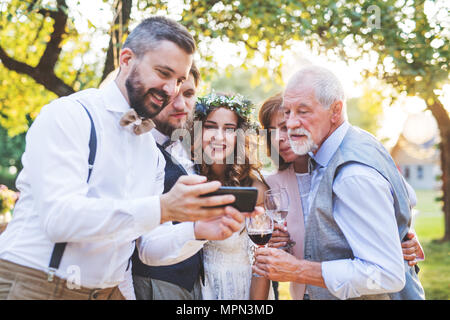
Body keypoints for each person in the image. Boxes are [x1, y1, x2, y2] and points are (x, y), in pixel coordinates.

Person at [0, 17, 248, 300]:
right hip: (36, 285)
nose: (171, 90)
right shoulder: (69, 114)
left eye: (179, 80)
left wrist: (197, 230)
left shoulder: (149, 151)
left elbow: (147, 248)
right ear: (126, 59)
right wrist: (163, 207)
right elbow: (60, 219)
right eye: (163, 73)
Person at [254, 68, 426, 300]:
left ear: (335, 110)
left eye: (303, 112)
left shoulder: (352, 174)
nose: (292, 123)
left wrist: (297, 269)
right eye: (287, 112)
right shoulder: (345, 147)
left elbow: (387, 273)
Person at [130, 63, 205, 300]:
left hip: (195, 283)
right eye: (171, 95)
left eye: (189, 94)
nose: (180, 104)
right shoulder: (135, 146)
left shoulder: (191, 147)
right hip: (153, 282)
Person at [191, 92, 272, 300]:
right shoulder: (190, 178)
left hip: (243, 291)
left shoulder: (256, 189)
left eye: (229, 129)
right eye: (210, 126)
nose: (219, 136)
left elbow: (261, 263)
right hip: (200, 292)